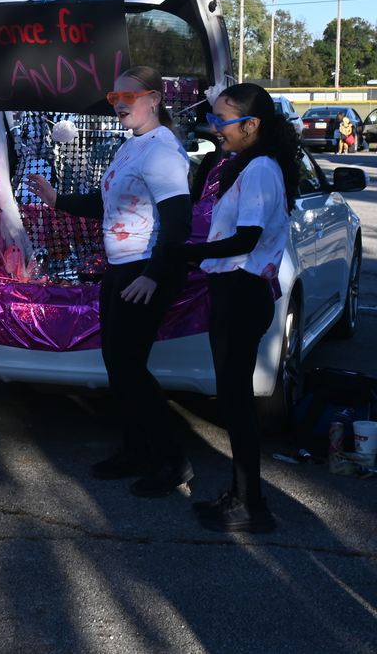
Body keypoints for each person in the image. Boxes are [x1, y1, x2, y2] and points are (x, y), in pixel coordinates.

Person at [30, 66, 194, 498]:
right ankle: (136, 450)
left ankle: (171, 460)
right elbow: (109, 206)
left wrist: (152, 276)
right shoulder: (132, 146)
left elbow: (179, 223)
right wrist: (57, 199)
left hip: (144, 269)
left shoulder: (161, 150)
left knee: (129, 368)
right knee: (120, 367)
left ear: (154, 99)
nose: (119, 102)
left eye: (129, 95)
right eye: (113, 96)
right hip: (121, 267)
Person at [158, 83, 297, 532]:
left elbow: (246, 238)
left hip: (241, 292)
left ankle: (251, 506)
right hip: (235, 291)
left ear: (252, 125)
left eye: (222, 120)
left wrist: (183, 254)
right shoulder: (251, 164)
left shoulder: (258, 169)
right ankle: (243, 496)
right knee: (234, 402)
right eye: (213, 119)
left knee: (237, 406)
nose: (214, 127)